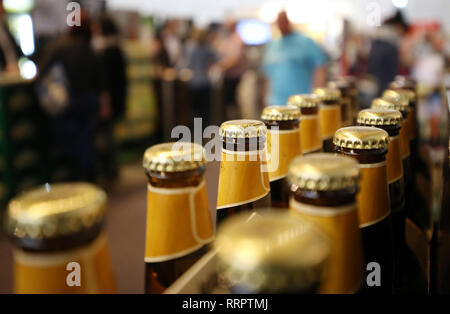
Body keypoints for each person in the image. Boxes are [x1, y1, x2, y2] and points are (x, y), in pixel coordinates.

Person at [38, 11, 103, 182]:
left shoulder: (60, 47)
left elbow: (41, 73)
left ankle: (77, 177)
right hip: (89, 102)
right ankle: (88, 177)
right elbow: (100, 82)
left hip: (70, 103)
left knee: (70, 142)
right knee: (86, 141)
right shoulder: (90, 50)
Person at [262, 11, 327, 106]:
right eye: (279, 21)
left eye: (284, 20)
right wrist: (266, 99)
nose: (281, 24)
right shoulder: (272, 45)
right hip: (276, 104)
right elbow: (267, 76)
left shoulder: (305, 42)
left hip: (302, 103)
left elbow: (320, 68)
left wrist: (316, 97)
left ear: (288, 21)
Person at [92, 14, 127, 184]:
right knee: (110, 135)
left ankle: (110, 171)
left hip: (108, 101)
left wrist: (104, 102)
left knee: (106, 137)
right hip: (117, 98)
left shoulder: (105, 51)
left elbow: (104, 80)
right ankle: (112, 170)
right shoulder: (118, 48)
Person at [367, 11, 408, 95]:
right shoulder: (390, 45)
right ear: (398, 27)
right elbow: (392, 72)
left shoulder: (377, 42)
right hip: (384, 86)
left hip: (376, 84)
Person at [215, 19, 246, 119]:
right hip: (229, 75)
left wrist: (222, 65)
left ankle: (235, 123)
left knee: (232, 101)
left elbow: (235, 59)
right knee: (229, 101)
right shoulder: (230, 38)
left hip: (234, 75)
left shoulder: (237, 39)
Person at [187, 29, 217, 127]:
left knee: (196, 109)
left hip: (194, 83)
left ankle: (197, 128)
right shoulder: (208, 49)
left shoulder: (193, 50)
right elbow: (216, 59)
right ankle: (205, 129)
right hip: (204, 82)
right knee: (205, 109)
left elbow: (189, 64)